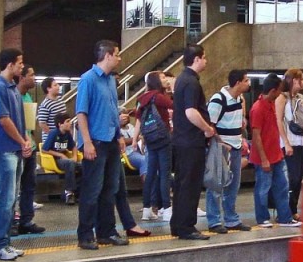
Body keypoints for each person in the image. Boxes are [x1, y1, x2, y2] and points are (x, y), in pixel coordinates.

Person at [74, 39, 128, 250]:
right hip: (95, 142)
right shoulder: (87, 79)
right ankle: (85, 235)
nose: (119, 58)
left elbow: (113, 110)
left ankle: (107, 232)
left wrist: (119, 135)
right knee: (92, 190)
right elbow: (81, 113)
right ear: (107, 56)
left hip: (111, 140)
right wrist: (86, 142)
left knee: (110, 189)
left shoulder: (111, 80)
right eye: (117, 54)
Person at [0, 48, 31, 261]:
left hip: (16, 149)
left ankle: (6, 243)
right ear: (10, 64)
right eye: (19, 62)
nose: (22, 66)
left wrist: (26, 140)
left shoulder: (14, 88)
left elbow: (20, 120)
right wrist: (21, 141)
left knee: (12, 198)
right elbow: (4, 120)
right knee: (5, 199)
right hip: (4, 150)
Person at [170, 44, 215, 240]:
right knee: (190, 184)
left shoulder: (181, 79)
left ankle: (178, 224)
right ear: (196, 59)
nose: (206, 61)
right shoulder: (191, 82)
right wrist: (207, 128)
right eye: (204, 57)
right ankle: (187, 226)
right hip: (191, 141)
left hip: (181, 140)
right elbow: (191, 112)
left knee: (182, 184)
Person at [250, 74, 298, 228]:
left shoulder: (271, 104)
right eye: (278, 90)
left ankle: (285, 217)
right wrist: (264, 159)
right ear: (272, 91)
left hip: (276, 155)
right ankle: (262, 218)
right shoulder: (258, 108)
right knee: (262, 189)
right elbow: (256, 136)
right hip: (264, 157)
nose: (280, 93)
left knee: (282, 186)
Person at [206, 69, 251, 233]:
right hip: (221, 147)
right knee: (216, 186)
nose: (249, 83)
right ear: (238, 82)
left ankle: (231, 219)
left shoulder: (239, 99)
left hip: (236, 146)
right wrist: (219, 142)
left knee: (233, 185)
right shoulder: (218, 99)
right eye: (246, 80)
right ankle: (214, 221)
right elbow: (209, 125)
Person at [134, 71, 173, 222]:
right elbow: (175, 106)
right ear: (156, 81)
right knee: (164, 173)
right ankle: (166, 209)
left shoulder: (141, 99)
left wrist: (135, 138)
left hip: (150, 138)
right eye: (162, 77)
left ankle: (147, 209)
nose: (165, 79)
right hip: (162, 137)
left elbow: (138, 119)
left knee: (150, 173)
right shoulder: (159, 97)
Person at [277, 69, 303, 222]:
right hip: (290, 141)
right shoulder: (282, 98)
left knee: (299, 178)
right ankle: (285, 211)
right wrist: (286, 143)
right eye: (300, 79)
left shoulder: (301, 98)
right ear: (293, 80)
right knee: (292, 177)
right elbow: (279, 121)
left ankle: (293, 209)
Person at [13, 64, 44, 236]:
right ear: (22, 77)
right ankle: (11, 221)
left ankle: (26, 220)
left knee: (29, 185)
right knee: (13, 187)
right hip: (18, 147)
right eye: (31, 75)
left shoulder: (27, 96)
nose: (34, 78)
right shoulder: (14, 95)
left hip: (29, 145)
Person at [42, 112, 81, 204]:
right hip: (55, 160)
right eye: (67, 121)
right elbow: (44, 149)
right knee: (70, 164)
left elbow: (73, 147)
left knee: (84, 167)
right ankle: (69, 193)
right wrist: (60, 155)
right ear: (60, 124)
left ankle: (78, 192)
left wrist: (75, 156)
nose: (70, 123)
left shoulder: (67, 134)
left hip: (66, 160)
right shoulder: (53, 133)